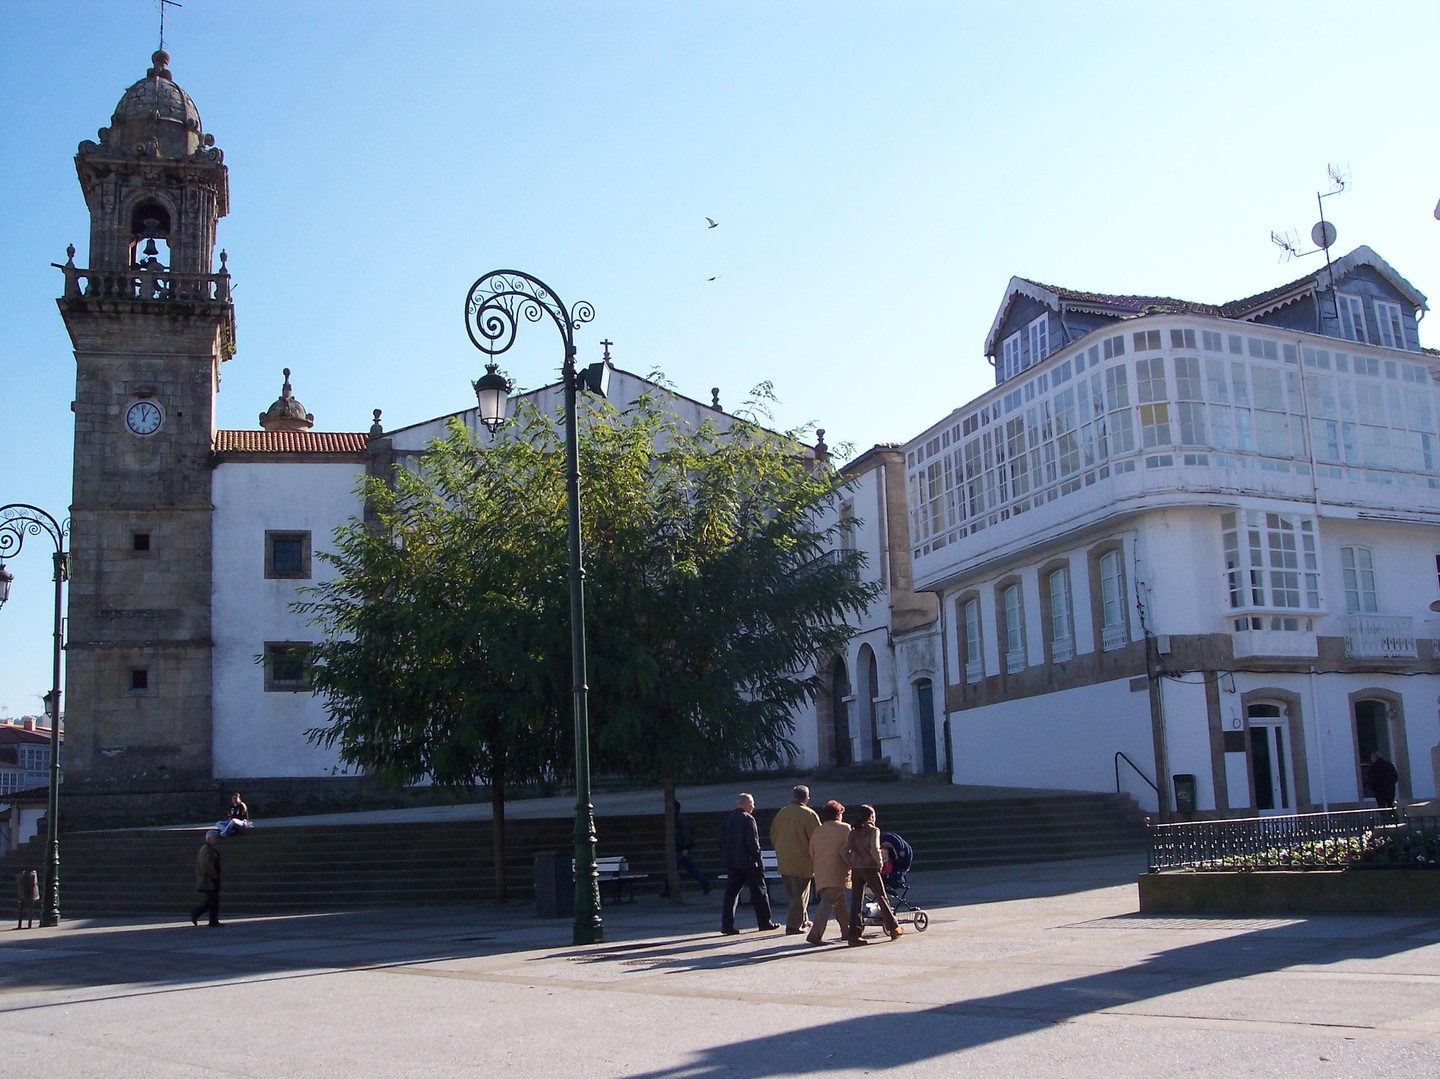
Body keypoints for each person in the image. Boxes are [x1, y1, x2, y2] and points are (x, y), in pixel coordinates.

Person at [718, 792, 779, 935]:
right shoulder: (748, 819)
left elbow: (721, 841)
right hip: (749, 863)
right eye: (752, 803)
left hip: (733, 863)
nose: (753, 806)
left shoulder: (727, 819)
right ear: (745, 804)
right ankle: (764, 922)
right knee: (760, 893)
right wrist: (758, 859)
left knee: (731, 895)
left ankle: (727, 925)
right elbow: (753, 842)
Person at [844, 804, 902, 945]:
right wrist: (880, 863)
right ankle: (893, 928)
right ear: (871, 816)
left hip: (856, 868)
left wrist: (850, 862)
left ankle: (854, 935)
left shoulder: (853, 832)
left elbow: (843, 851)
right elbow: (875, 849)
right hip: (870, 867)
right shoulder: (873, 830)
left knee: (856, 901)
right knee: (881, 896)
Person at [769, 783, 820, 934]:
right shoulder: (809, 814)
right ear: (807, 798)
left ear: (793, 796)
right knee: (801, 895)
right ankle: (793, 926)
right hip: (803, 861)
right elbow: (817, 838)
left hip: (785, 860)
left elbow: (773, 834)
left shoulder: (782, 812)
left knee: (793, 894)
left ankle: (803, 919)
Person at [805, 800, 852, 945]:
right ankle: (815, 934)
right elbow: (849, 849)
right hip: (837, 871)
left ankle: (847, 931)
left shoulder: (818, 830)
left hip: (821, 871)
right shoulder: (845, 828)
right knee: (828, 903)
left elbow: (811, 851)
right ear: (838, 814)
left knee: (839, 903)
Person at [660, 800, 711, 897]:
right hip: (682, 848)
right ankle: (705, 884)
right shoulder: (681, 819)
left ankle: (668, 889)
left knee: (674, 869)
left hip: (681, 848)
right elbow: (688, 833)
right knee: (690, 868)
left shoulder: (678, 820)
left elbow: (684, 834)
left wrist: (685, 847)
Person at [190, 828, 223, 927]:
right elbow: (204, 863)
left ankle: (213, 921)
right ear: (208, 839)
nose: (217, 840)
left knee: (214, 900)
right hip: (208, 879)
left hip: (212, 879)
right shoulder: (205, 849)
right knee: (212, 900)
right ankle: (196, 913)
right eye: (215, 838)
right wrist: (213, 873)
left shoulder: (211, 849)